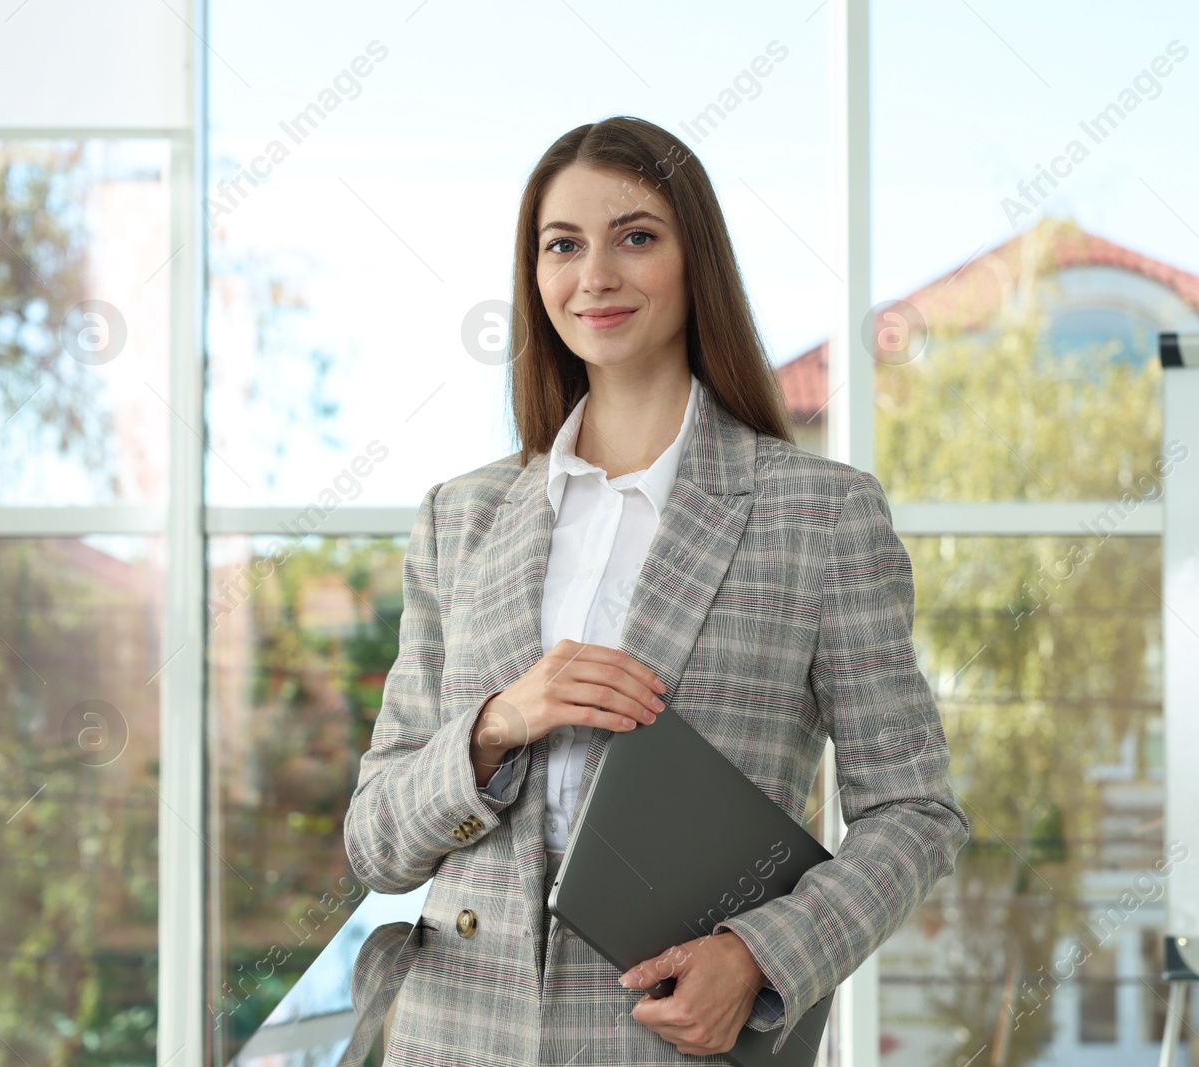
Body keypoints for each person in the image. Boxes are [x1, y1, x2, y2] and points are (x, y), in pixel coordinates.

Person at [342, 114, 970, 1066]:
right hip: (451, 1035)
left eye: (635, 236)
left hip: (672, 1039)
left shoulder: (820, 514)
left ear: (695, 262)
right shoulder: (459, 517)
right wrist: (495, 724)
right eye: (564, 245)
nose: (595, 275)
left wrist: (761, 956)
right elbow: (376, 842)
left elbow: (915, 812)